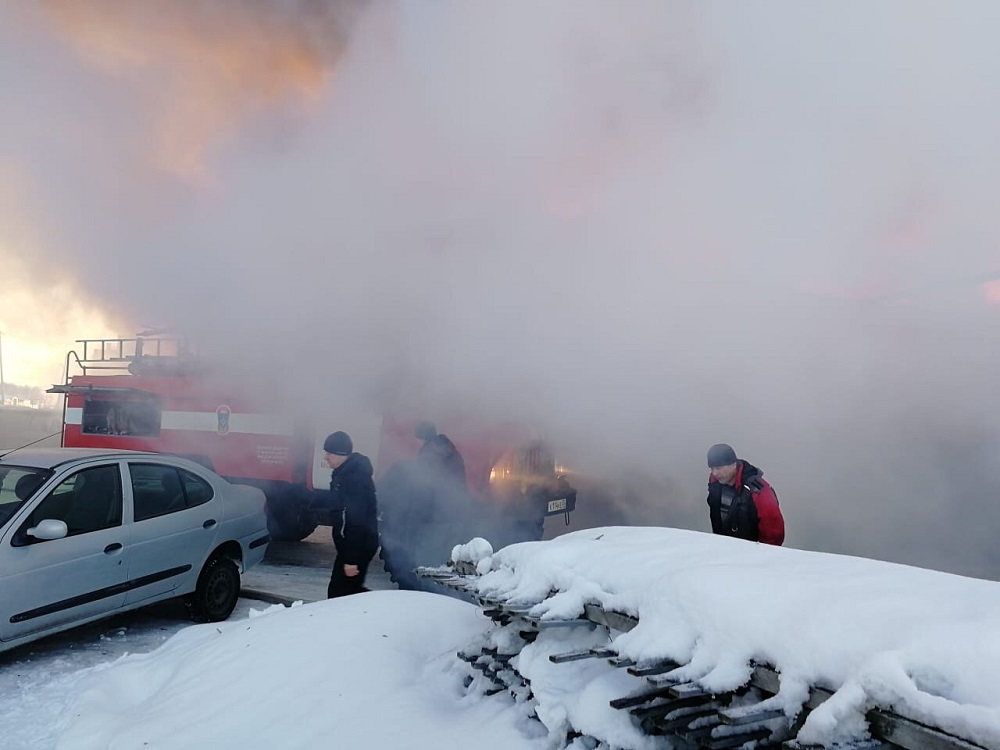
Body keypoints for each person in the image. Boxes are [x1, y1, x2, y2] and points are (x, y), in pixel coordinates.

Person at [323, 430, 379, 598]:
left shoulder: (355, 480)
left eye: (329, 453)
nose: (326, 457)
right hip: (353, 546)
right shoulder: (345, 473)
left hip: (358, 546)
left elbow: (355, 521)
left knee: (340, 595)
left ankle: (385, 608)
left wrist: (351, 560)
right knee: (347, 593)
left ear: (341, 454)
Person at [706, 443, 784, 545]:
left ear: (733, 465)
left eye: (718, 468)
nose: (714, 473)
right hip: (722, 547)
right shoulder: (716, 483)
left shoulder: (759, 491)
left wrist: (763, 555)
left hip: (750, 554)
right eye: (712, 468)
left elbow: (773, 533)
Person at [414, 420, 467, 488]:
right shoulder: (450, 448)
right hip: (455, 491)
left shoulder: (428, 452)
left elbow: (425, 475)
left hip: (441, 492)